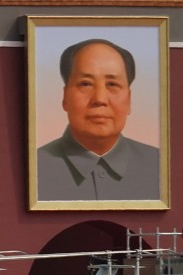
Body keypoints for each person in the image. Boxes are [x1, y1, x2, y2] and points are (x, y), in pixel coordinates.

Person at [36, 38, 160, 202]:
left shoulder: (161, 166)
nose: (100, 99)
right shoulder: (34, 167)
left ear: (129, 99)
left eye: (112, 84)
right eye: (86, 84)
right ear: (65, 97)